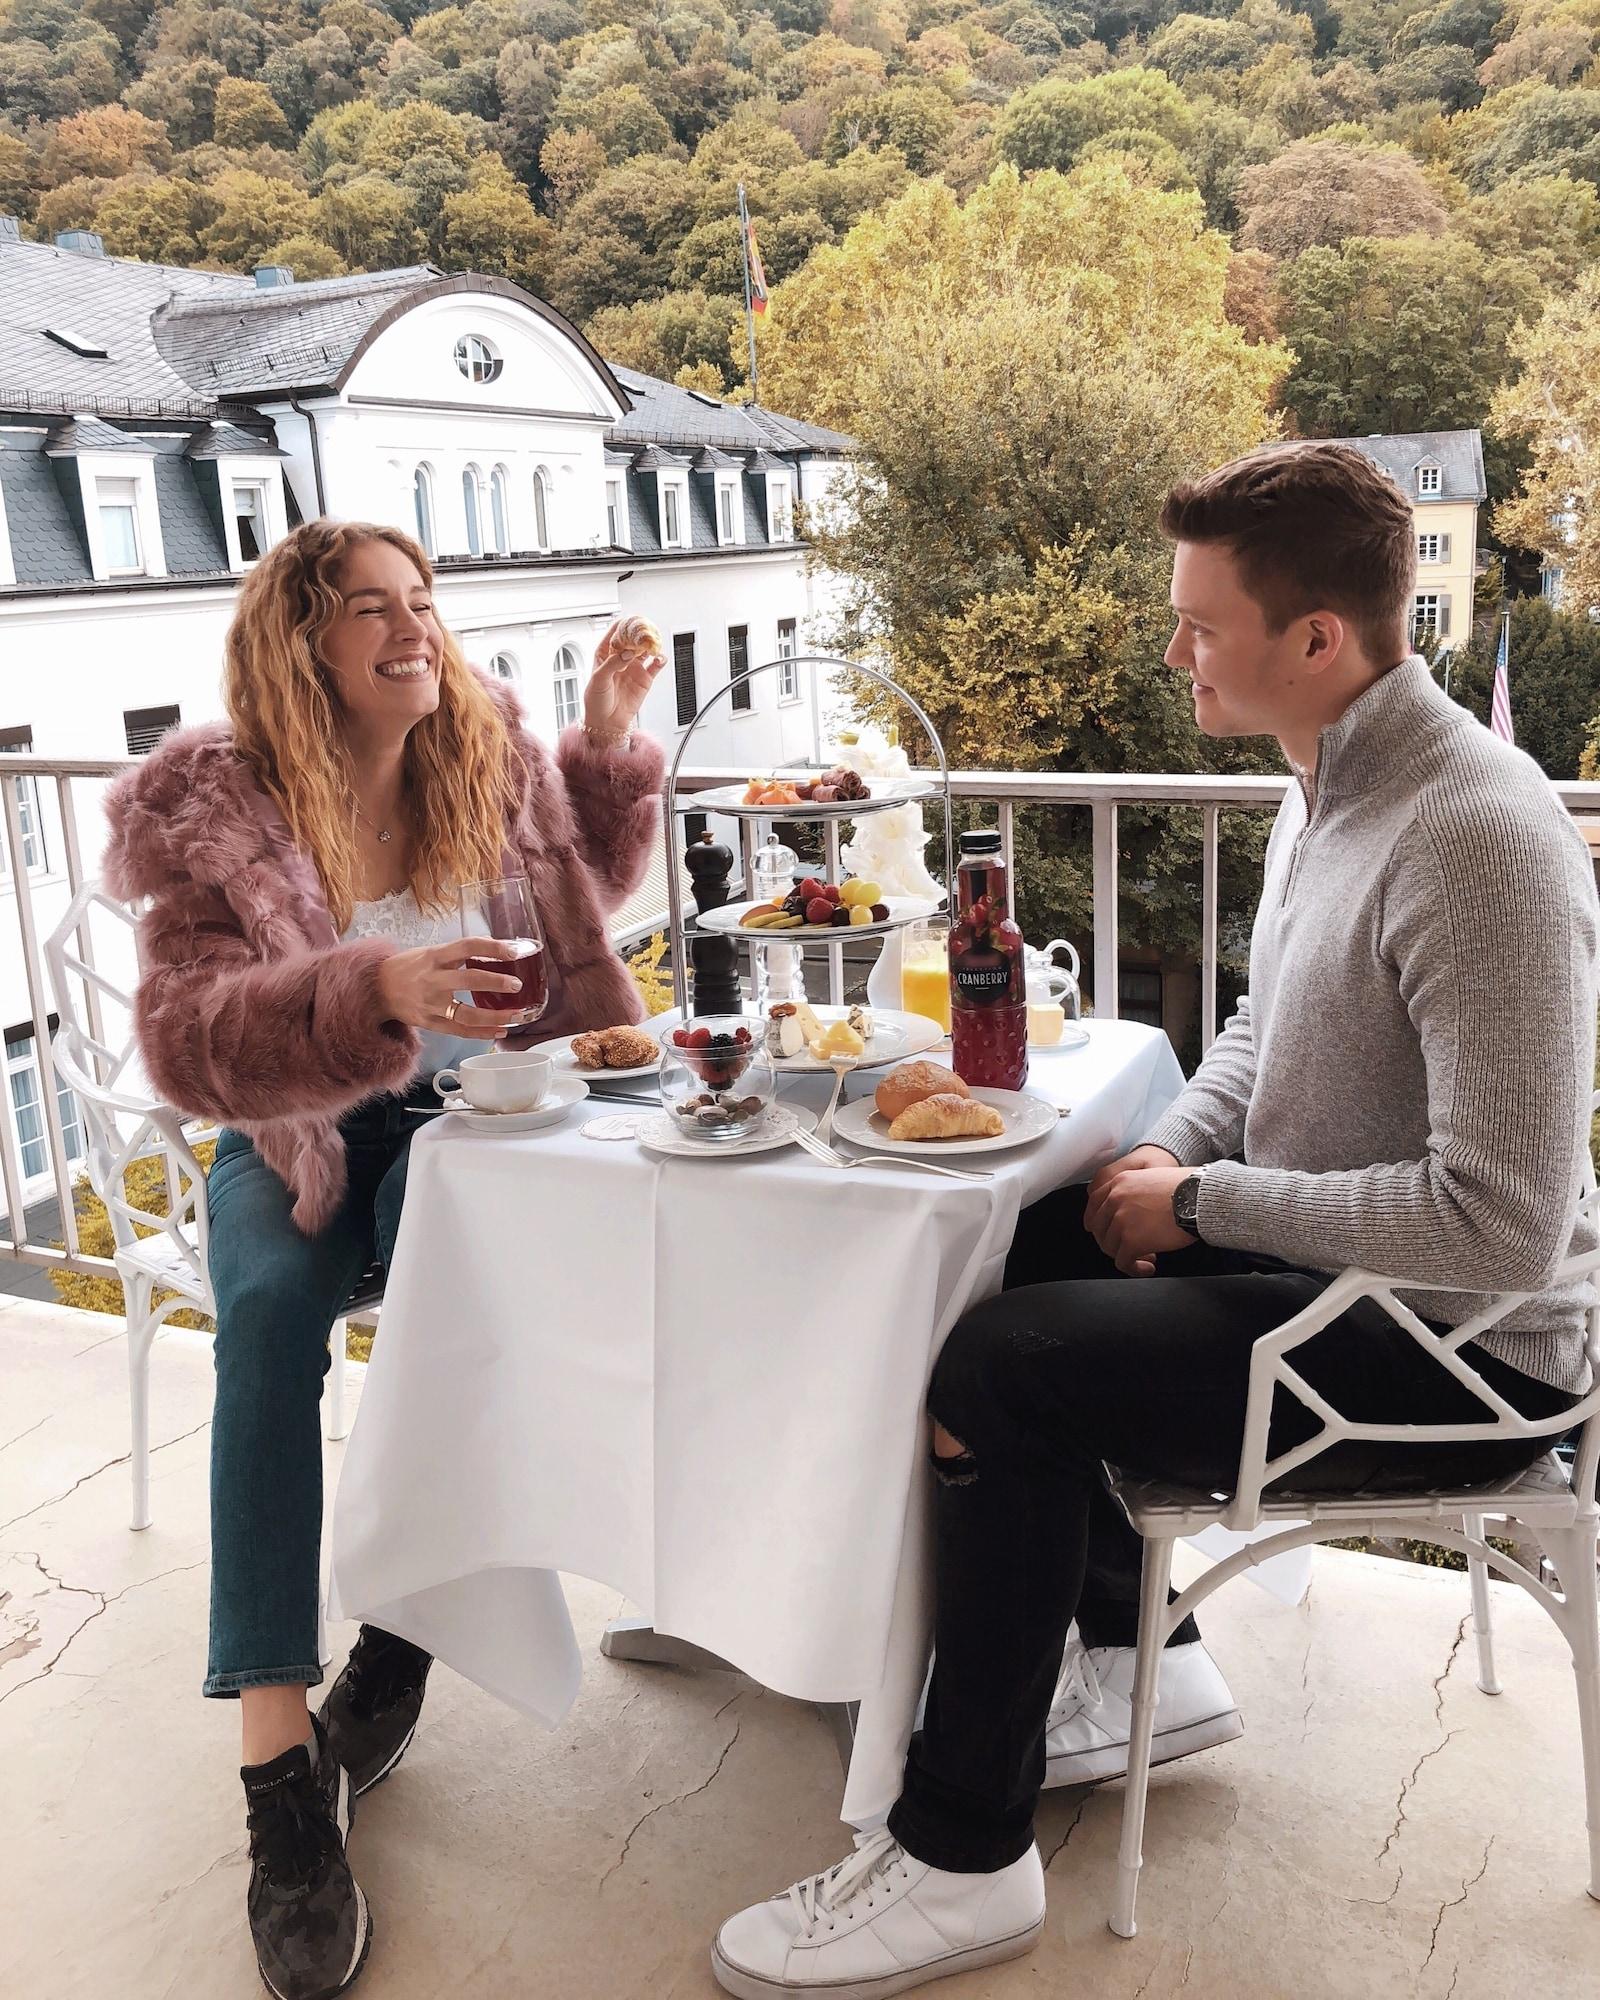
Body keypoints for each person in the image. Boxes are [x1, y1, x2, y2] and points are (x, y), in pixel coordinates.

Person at [710, 442, 1597, 1998]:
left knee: (1004, 1367)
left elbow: (1504, 1229)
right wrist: (1156, 1182)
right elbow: (1260, 1037)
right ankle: (1137, 1665)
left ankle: (960, 1856)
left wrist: (1203, 1203)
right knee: (1036, 1239)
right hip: (1349, 1289)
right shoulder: (1321, 790)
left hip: (1466, 1359)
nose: (1174, 647)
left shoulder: (1479, 834)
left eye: (1200, 622)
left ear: (1318, 639)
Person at [103, 521, 665, 2000]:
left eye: (422, 603)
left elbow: (583, 898)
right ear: (304, 643)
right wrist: (371, 986)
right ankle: (281, 1774)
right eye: (372, 611)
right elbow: (186, 1035)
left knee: (455, 1303)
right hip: (290, 1130)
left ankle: (405, 1629)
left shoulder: (484, 749)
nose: (413, 630)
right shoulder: (213, 809)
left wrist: (605, 748)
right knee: (272, 1322)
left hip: (476, 1128)